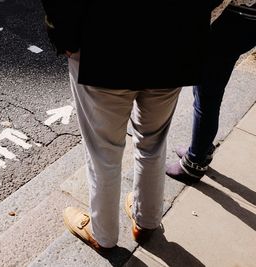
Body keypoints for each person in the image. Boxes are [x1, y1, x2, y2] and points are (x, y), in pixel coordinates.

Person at [40, 1, 218, 251]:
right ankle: (146, 221)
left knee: (103, 152)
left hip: (103, 42)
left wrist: (65, 38)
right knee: (153, 141)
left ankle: (104, 235)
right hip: (175, 42)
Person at [166, 0, 256, 184]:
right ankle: (201, 147)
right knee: (207, 90)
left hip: (239, 19)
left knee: (207, 93)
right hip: (244, 18)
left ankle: (194, 162)